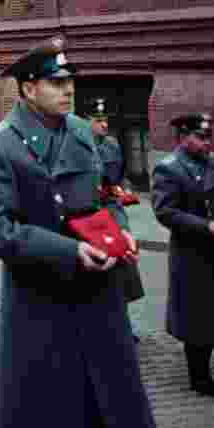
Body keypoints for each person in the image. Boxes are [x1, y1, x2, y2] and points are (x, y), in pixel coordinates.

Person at [0, 40, 166, 428]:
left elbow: (104, 196)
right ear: (27, 88)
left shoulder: (80, 131)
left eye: (70, 81)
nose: (68, 90)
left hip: (99, 291)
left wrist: (121, 232)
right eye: (56, 83)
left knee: (117, 403)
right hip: (43, 298)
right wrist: (67, 251)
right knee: (53, 415)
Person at [152, 112, 214, 396]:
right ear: (182, 137)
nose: (206, 142)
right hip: (193, 255)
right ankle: (199, 378)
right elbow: (166, 213)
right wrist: (206, 226)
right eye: (200, 137)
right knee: (197, 319)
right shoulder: (169, 168)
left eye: (208, 136)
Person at [87, 99, 144, 340]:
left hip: (113, 213)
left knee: (124, 269)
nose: (103, 124)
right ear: (85, 122)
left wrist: (123, 189)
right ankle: (97, 327)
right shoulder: (78, 146)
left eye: (105, 120)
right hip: (90, 218)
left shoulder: (111, 146)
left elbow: (120, 178)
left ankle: (122, 323)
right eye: (98, 120)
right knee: (98, 273)